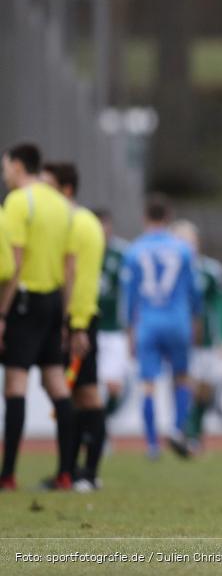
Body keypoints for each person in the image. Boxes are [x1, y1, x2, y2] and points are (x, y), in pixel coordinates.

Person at [0, 143, 77, 491]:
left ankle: (8, 475)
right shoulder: (61, 204)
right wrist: (64, 313)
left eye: (5, 166)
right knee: (57, 385)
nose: (4, 173)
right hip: (53, 301)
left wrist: (2, 311)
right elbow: (69, 265)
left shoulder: (19, 201)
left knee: (15, 385)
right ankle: (65, 471)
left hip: (25, 300)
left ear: (18, 166)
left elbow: (13, 264)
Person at [42, 163, 107, 492]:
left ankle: (84, 472)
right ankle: (74, 471)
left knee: (85, 395)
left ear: (65, 189)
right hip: (80, 318)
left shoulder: (75, 223)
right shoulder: (84, 222)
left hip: (78, 319)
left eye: (47, 185)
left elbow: (78, 280)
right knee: (78, 395)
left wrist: (75, 325)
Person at [121, 195, 200, 460]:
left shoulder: (133, 251)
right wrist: (196, 320)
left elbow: (129, 296)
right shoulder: (183, 250)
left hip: (147, 323)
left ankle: (152, 445)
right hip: (177, 321)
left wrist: (129, 330)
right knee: (182, 378)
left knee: (148, 384)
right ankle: (177, 429)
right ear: (168, 218)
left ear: (145, 219)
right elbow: (194, 291)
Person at [170, 220, 222, 453]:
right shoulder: (170, 271)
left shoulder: (210, 270)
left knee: (206, 388)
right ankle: (183, 432)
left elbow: (220, 306)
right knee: (186, 384)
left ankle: (193, 431)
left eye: (190, 240)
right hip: (180, 339)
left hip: (204, 340)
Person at [93, 209, 130, 420]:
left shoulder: (122, 254)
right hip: (89, 327)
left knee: (114, 386)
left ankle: (102, 425)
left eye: (105, 225)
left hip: (114, 328)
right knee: (87, 387)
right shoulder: (83, 250)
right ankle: (92, 430)